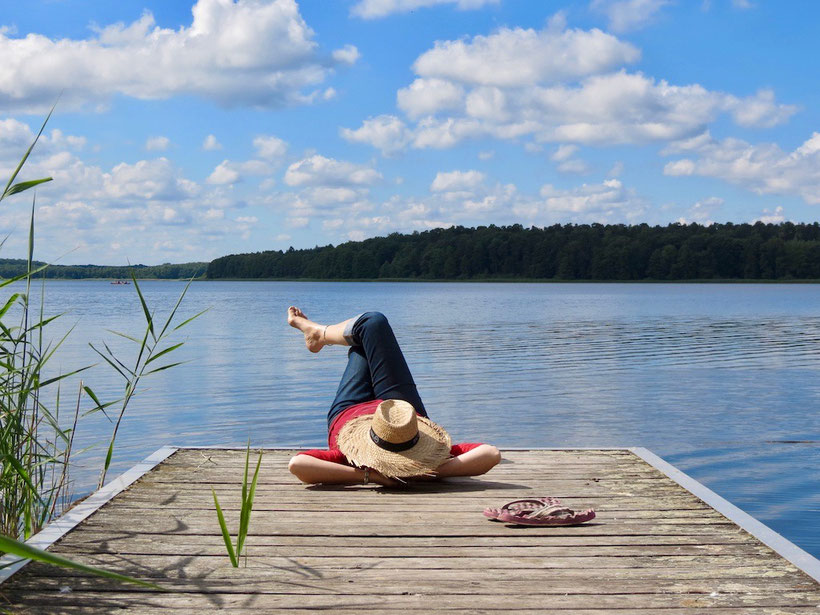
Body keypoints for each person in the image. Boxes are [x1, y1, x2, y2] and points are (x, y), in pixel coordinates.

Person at [286, 308, 501, 487]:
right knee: (372, 327)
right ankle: (318, 334)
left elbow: (298, 464)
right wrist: (426, 471)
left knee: (366, 334)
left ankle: (317, 333)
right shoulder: (426, 458)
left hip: (349, 411)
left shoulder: (354, 458)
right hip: (402, 409)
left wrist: (372, 476)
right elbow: (490, 454)